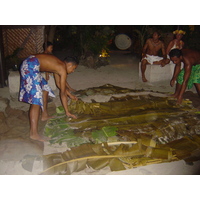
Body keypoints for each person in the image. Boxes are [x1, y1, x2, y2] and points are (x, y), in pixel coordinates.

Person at [19, 54, 79, 142]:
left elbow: (59, 84)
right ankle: (34, 134)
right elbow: (62, 93)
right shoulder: (62, 68)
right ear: (69, 65)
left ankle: (44, 115)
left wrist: (70, 95)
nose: (73, 71)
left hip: (31, 64)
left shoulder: (59, 65)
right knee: (36, 99)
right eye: (73, 68)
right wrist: (67, 112)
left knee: (45, 88)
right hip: (30, 65)